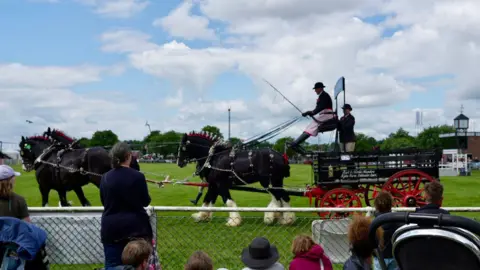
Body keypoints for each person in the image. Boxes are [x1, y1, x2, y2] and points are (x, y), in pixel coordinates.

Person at [100, 142, 153, 268]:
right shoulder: (138, 176)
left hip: (111, 229)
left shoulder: (105, 177)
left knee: (112, 266)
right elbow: (146, 201)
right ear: (129, 156)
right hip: (136, 229)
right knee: (139, 266)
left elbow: (104, 201)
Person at [289, 82, 335, 151]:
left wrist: (311, 112)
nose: (315, 91)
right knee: (310, 126)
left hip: (327, 115)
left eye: (316, 89)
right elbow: (318, 108)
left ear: (320, 88)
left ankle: (296, 143)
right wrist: (310, 112)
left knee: (312, 126)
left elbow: (321, 107)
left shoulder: (324, 95)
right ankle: (296, 142)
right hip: (324, 114)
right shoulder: (322, 95)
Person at [373, 192, 401, 270]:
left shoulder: (373, 224)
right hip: (393, 256)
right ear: (391, 204)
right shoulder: (397, 222)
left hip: (379, 257)